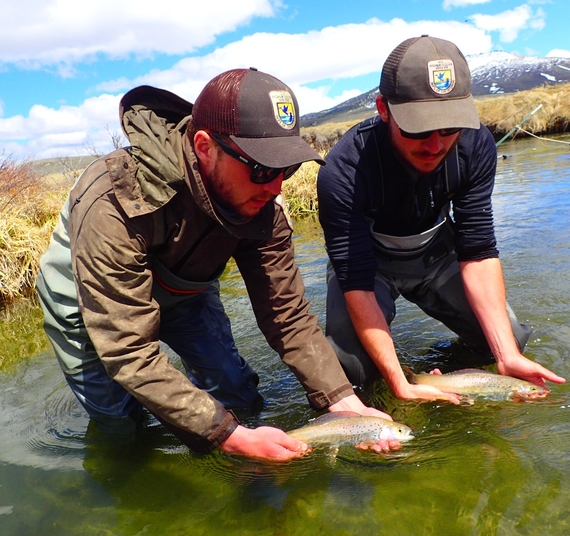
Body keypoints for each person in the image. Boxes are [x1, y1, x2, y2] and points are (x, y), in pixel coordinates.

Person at [36, 67, 401, 461]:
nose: (276, 186)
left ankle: (246, 473)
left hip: (186, 289)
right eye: (262, 168)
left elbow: (288, 315)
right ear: (206, 147)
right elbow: (128, 348)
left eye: (285, 169)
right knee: (123, 428)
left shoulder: (262, 207)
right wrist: (226, 434)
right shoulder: (113, 200)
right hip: (86, 301)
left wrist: (342, 401)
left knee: (237, 393)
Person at [317, 36, 565, 403]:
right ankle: (398, 384)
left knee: (508, 338)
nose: (435, 146)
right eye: (419, 129)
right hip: (368, 269)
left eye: (449, 128)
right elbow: (356, 282)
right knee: (352, 366)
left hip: (436, 255)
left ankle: (449, 380)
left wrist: (506, 356)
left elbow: (478, 251)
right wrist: (398, 385)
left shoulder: (476, 145)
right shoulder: (343, 170)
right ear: (384, 109)